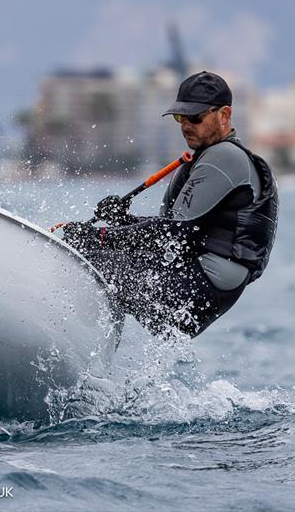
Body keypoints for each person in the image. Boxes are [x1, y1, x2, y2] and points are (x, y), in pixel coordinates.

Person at [63, 71, 279, 338]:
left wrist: (98, 236)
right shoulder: (209, 158)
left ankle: (55, 336)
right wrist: (123, 220)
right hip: (196, 285)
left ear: (224, 115)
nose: (186, 125)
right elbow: (176, 231)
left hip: (199, 289)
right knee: (98, 261)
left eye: (196, 117)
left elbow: (170, 234)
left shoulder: (224, 157)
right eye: (181, 117)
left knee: (86, 260)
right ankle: (82, 343)